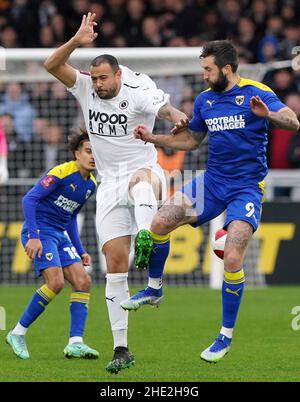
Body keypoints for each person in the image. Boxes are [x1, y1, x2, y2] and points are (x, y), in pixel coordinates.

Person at [121, 40, 300, 363]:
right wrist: (154, 138)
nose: (203, 75)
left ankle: (224, 337)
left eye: (208, 69)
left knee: (232, 256)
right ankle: (154, 288)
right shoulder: (205, 101)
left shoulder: (256, 92)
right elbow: (192, 139)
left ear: (227, 69)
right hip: (212, 182)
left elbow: (293, 121)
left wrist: (268, 114)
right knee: (160, 221)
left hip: (245, 187)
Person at [43, 12, 187, 374]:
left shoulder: (138, 89)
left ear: (119, 75)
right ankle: (121, 348)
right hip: (108, 185)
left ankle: (146, 235)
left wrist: (177, 116)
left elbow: (164, 108)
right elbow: (50, 64)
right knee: (115, 270)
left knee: (141, 181)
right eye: (95, 79)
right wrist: (76, 40)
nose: (99, 85)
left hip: (145, 172)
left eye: (105, 78)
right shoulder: (85, 86)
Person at [6, 130, 99, 360]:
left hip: (59, 234)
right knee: (55, 282)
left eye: (95, 152)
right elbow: (29, 199)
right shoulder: (61, 172)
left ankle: (75, 343)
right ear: (77, 154)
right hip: (40, 231)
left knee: (83, 281)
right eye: (88, 151)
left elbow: (70, 219)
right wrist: (35, 236)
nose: (92, 156)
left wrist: (80, 250)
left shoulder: (91, 185)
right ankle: (17, 333)